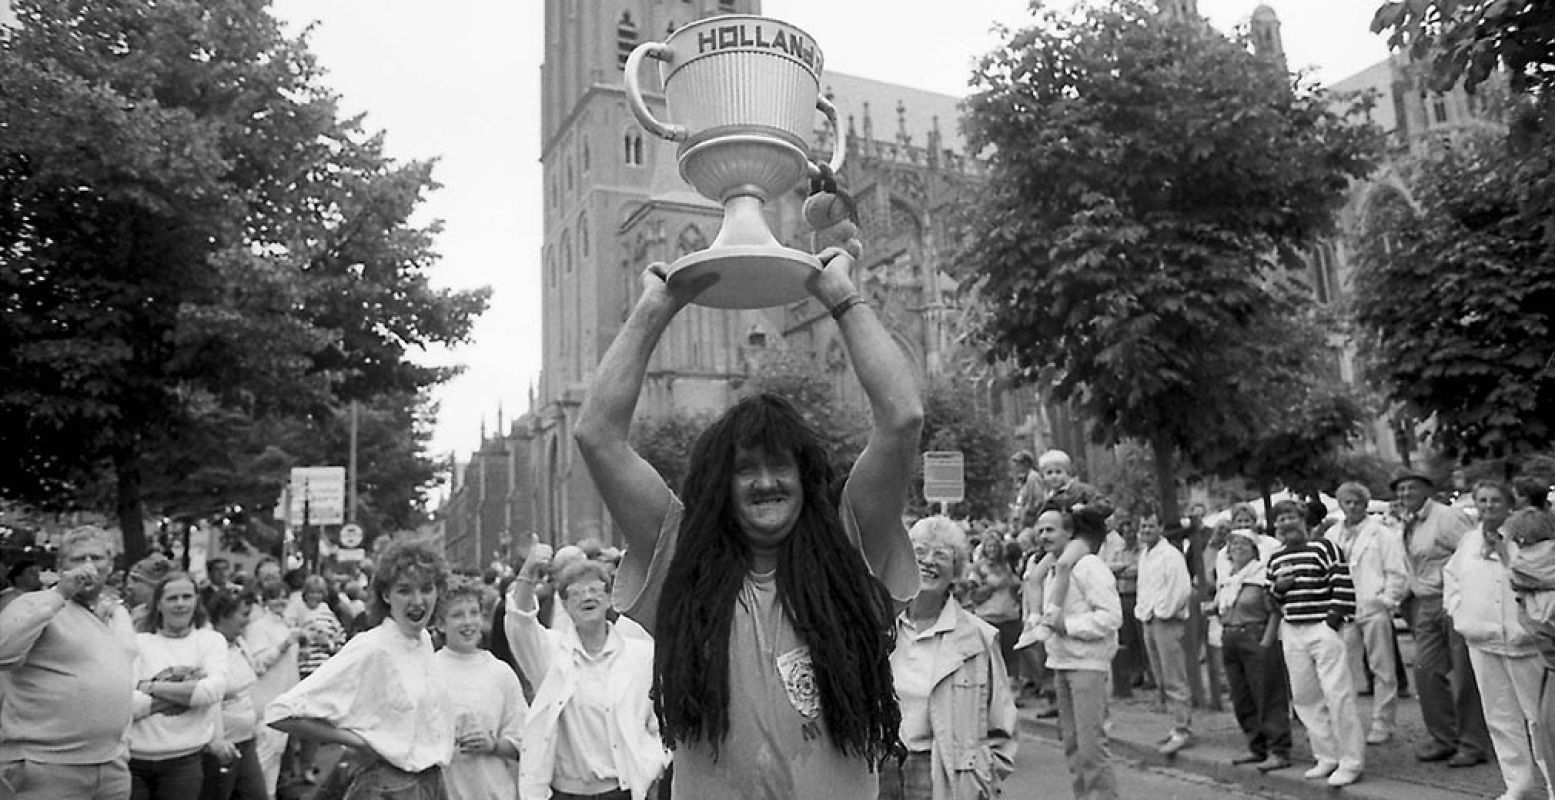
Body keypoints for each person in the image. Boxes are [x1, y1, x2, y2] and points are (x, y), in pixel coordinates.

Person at [572, 243, 922, 797]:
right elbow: (597, 436)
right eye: (746, 470)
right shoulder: (680, 565)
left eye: (780, 465)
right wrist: (655, 307)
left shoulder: (852, 551)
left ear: (805, 477)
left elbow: (903, 419)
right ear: (721, 485)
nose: (765, 482)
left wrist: (842, 297)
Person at [266, 539, 455, 800]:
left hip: (430, 781)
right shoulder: (373, 646)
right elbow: (281, 713)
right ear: (386, 595)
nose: (417, 600)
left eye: (426, 589)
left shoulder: (422, 641)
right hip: (389, 787)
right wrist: (361, 741)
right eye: (404, 590)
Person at [506, 537, 666, 800]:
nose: (587, 597)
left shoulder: (641, 656)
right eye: (576, 593)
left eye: (595, 589)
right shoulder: (551, 655)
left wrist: (651, 763)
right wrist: (529, 572)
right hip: (567, 793)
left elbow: (661, 723)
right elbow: (519, 625)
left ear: (608, 598)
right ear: (565, 606)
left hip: (622, 791)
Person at [0, 525, 139, 799]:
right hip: (46, 767)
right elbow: (4, 652)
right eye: (78, 559)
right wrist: (60, 593)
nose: (88, 566)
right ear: (60, 565)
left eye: (97, 558)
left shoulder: (116, 613)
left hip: (112, 764)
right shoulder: (34, 603)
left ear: (110, 565)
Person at [884, 516, 1017, 800]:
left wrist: (982, 780)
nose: (928, 561)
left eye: (941, 554)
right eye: (918, 552)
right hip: (880, 768)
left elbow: (1002, 724)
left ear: (955, 570)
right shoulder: (877, 628)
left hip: (941, 773)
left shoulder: (978, 638)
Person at [1444, 481, 1552, 800]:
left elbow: (1540, 577)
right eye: (1482, 501)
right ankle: (1517, 781)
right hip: (1481, 640)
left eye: (1495, 500)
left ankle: (1552, 781)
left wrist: (1532, 622)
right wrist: (1459, 612)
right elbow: (1451, 579)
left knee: (1539, 719)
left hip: (1524, 642)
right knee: (1499, 716)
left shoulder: (1524, 537)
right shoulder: (1468, 541)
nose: (1488, 507)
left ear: (1509, 504)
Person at [1394, 470, 1492, 765]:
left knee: (1464, 676)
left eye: (1411, 488)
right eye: (1400, 490)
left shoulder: (1447, 517)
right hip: (1425, 604)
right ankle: (1443, 737)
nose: (1404, 494)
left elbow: (1475, 554)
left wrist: (1464, 597)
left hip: (1452, 602)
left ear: (1428, 490)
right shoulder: (1407, 522)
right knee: (1426, 671)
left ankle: (1473, 744)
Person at [1265, 499, 1363, 787]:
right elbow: (1273, 600)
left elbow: (1343, 585)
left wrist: (1331, 623)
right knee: (1305, 697)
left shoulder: (1325, 547)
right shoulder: (1276, 558)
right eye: (1280, 519)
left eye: (1291, 517)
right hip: (1293, 629)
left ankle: (1351, 760)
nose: (1286, 523)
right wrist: (1278, 589)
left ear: (1303, 519)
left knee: (1337, 694)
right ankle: (1326, 755)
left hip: (1322, 626)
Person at [1034, 507, 1122, 800]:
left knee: (1090, 747)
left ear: (1069, 533)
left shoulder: (1088, 567)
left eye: (1051, 529)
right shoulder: (1054, 569)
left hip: (1087, 664)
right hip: (1061, 661)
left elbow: (1111, 616)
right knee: (1072, 746)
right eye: (1040, 529)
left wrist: (1067, 625)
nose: (1043, 535)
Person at [129, 572, 230, 800]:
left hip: (185, 762)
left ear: (196, 601)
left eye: (187, 597)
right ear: (158, 605)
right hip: (133, 760)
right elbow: (128, 706)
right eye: (172, 598)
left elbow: (212, 692)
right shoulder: (137, 644)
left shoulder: (211, 641)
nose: (180, 604)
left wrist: (147, 686)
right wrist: (190, 690)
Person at [1326, 481, 1408, 745]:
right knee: (1345, 669)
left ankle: (1383, 722)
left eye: (1357, 502)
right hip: (1344, 609)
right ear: (1340, 504)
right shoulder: (1332, 535)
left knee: (1382, 668)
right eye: (1347, 502)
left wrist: (1386, 600)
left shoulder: (1381, 533)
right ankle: (1350, 724)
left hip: (1373, 607)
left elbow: (1396, 570)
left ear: (1365, 504)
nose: (1352, 507)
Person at [436, 577, 524, 800]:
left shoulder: (500, 673)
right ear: (440, 624)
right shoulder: (428, 670)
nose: (468, 622)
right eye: (457, 615)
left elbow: (525, 740)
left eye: (474, 613)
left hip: (494, 792)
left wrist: (493, 745)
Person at [1210, 529, 1291, 772]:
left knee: (1267, 693)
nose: (1237, 548)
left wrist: (1267, 641)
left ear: (1255, 549)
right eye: (1233, 544)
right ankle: (1256, 746)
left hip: (1255, 635)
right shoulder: (1228, 577)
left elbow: (1275, 609)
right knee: (1241, 695)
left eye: (1244, 544)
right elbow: (1221, 606)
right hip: (1231, 637)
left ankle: (1279, 748)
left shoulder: (1262, 575)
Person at [1133, 505, 1194, 756]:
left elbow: (1181, 589)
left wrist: (1163, 611)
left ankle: (1183, 728)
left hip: (1166, 620)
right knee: (1161, 675)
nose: (1146, 530)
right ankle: (1175, 724)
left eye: (1151, 526)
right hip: (1149, 618)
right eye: (1143, 526)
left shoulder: (1171, 555)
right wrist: (1145, 612)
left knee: (1173, 676)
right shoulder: (1145, 554)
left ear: (1160, 528)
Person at [201, 590, 268, 800]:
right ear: (223, 615)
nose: (248, 621)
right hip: (222, 746)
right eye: (244, 614)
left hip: (246, 739)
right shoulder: (208, 647)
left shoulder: (240, 643)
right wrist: (217, 740)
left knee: (256, 794)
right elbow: (211, 697)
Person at [241, 580, 301, 798]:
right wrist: (285, 644)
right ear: (264, 600)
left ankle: (270, 794)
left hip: (285, 698)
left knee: (277, 752)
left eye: (284, 596)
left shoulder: (285, 625)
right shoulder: (258, 627)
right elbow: (259, 664)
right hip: (266, 698)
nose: (280, 601)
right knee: (264, 754)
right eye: (275, 596)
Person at [1036, 450, 1101, 511]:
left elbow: (1104, 506)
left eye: (1058, 472)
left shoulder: (1082, 491)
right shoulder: (1048, 497)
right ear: (1043, 476)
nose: (1054, 476)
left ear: (1067, 472)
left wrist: (1085, 509)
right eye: (1049, 473)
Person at [1008, 450, 1047, 528]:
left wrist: (1028, 512)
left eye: (1018, 464)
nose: (1016, 467)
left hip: (1034, 521)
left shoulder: (1033, 478)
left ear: (1026, 464)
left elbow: (1039, 500)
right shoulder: (1025, 479)